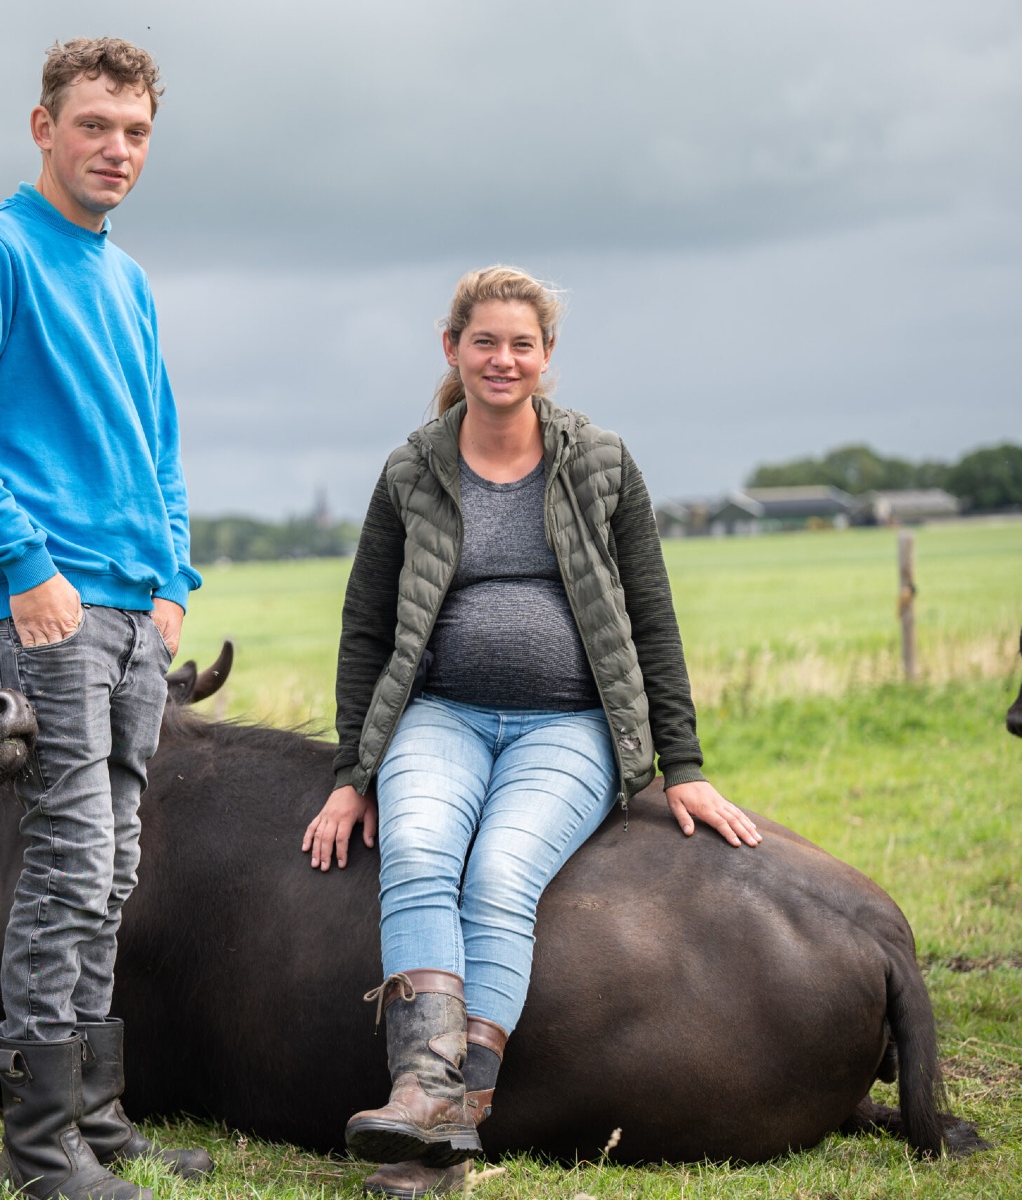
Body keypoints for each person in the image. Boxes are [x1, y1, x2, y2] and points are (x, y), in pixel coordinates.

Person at [302, 266, 761, 1198]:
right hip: (441, 716)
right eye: (485, 342)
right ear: (453, 351)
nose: (502, 360)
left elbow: (652, 619)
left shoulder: (600, 463)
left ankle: (454, 1118)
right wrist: (354, 773)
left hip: (570, 725)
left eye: (521, 344)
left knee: (502, 870)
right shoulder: (410, 470)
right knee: (420, 849)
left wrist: (685, 767)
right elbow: (366, 628)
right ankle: (424, 1088)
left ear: (546, 358)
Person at [0, 36, 210, 1200]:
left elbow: (160, 445)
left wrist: (174, 581)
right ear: (44, 129)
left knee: (115, 867)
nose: (116, 150)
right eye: (94, 126)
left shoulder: (126, 280)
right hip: (47, 616)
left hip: (136, 619)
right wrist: (23, 568)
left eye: (134, 132)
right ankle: (41, 1155)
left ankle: (96, 1121)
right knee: (68, 869)